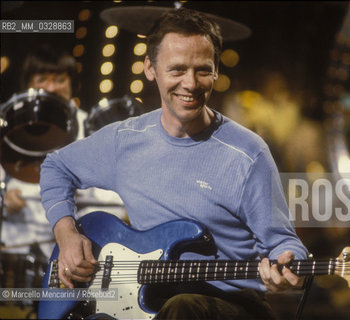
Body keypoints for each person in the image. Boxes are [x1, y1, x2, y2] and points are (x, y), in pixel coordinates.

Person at [40, 8, 308, 319]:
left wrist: (288, 267)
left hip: (230, 305)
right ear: (150, 68)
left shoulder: (248, 153)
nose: (191, 84)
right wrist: (67, 235)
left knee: (184, 307)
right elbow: (56, 166)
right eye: (177, 70)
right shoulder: (125, 140)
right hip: (146, 300)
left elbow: (283, 242)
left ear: (217, 70)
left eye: (203, 70)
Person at [1, 45, 124, 264]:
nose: (51, 88)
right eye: (42, 79)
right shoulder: (11, 123)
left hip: (77, 248)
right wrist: (4, 198)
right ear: (29, 83)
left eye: (59, 80)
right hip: (17, 245)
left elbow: (114, 199)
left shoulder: (90, 127)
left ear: (72, 85)